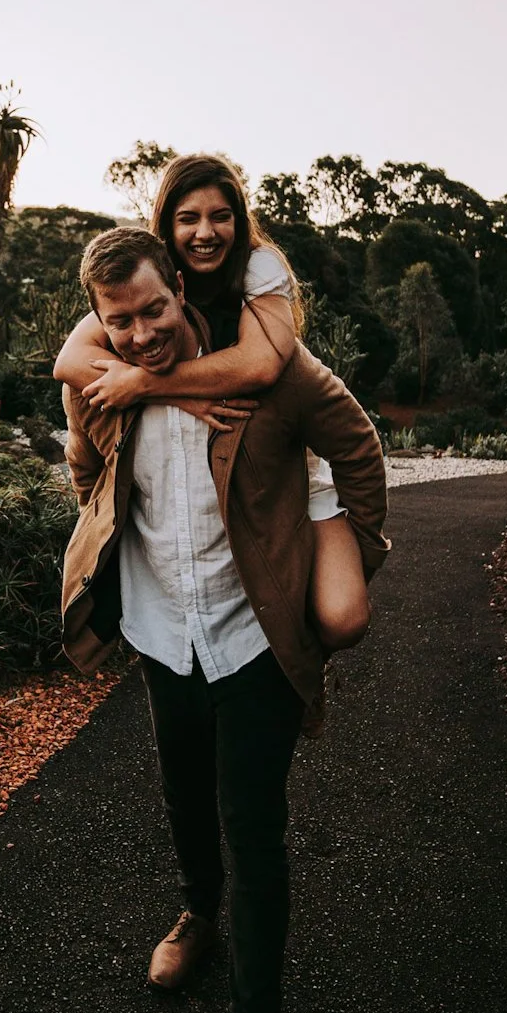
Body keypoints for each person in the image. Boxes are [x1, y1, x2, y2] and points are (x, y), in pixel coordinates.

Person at [60, 225, 389, 1013]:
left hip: (253, 641)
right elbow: (87, 469)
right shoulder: (100, 385)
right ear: (101, 321)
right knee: (181, 796)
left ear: (182, 296)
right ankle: (197, 915)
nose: (140, 335)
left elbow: (357, 444)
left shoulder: (264, 374)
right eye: (119, 321)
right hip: (165, 634)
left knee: (254, 828)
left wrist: (344, 546)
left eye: (155, 310)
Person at [54, 153, 370, 653]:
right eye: (188, 218)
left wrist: (152, 385)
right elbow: (69, 360)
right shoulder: (149, 274)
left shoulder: (257, 265)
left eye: (220, 216)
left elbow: (263, 364)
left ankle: (295, 630)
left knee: (343, 619)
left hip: (291, 465)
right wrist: (181, 395)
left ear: (239, 221)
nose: (205, 232)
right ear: (166, 225)